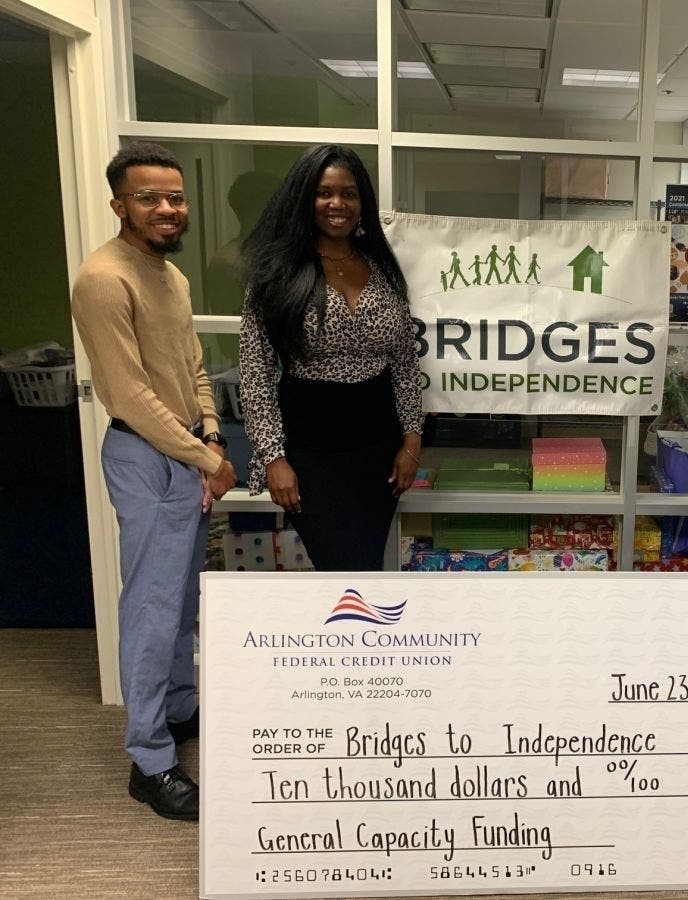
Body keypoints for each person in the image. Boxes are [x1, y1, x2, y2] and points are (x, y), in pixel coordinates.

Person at [70, 142, 237, 821]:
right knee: (151, 608)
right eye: (149, 197)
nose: (167, 208)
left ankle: (177, 711)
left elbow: (192, 363)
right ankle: (149, 760)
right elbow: (130, 395)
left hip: (188, 452)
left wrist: (214, 435)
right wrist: (202, 460)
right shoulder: (103, 279)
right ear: (119, 204)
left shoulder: (171, 275)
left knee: (180, 601)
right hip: (147, 458)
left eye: (174, 197)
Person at [239, 145, 423, 571]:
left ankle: (360, 638)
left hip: (378, 449)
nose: (337, 204)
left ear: (363, 202)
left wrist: (411, 441)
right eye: (324, 193)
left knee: (367, 565)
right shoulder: (277, 274)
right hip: (309, 453)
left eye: (349, 194)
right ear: (305, 198)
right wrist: (273, 458)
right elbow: (256, 374)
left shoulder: (381, 267)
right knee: (341, 568)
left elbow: (404, 364)